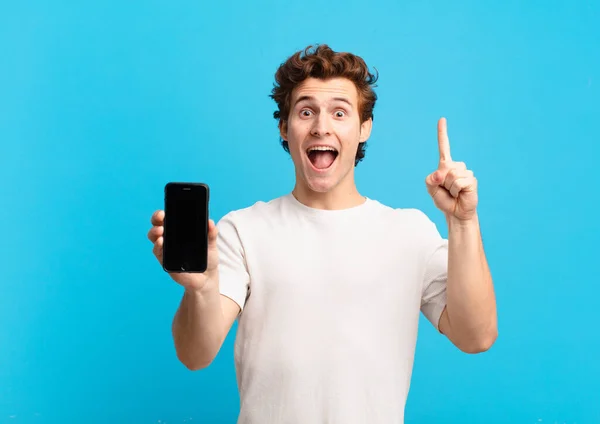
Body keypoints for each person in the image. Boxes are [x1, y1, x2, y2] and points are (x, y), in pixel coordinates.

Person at [147, 44, 498, 424]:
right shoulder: (243, 230)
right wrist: (200, 288)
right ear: (285, 126)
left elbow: (476, 336)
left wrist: (463, 222)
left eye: (340, 112)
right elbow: (193, 355)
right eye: (306, 111)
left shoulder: (408, 233)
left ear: (365, 128)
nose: (321, 126)